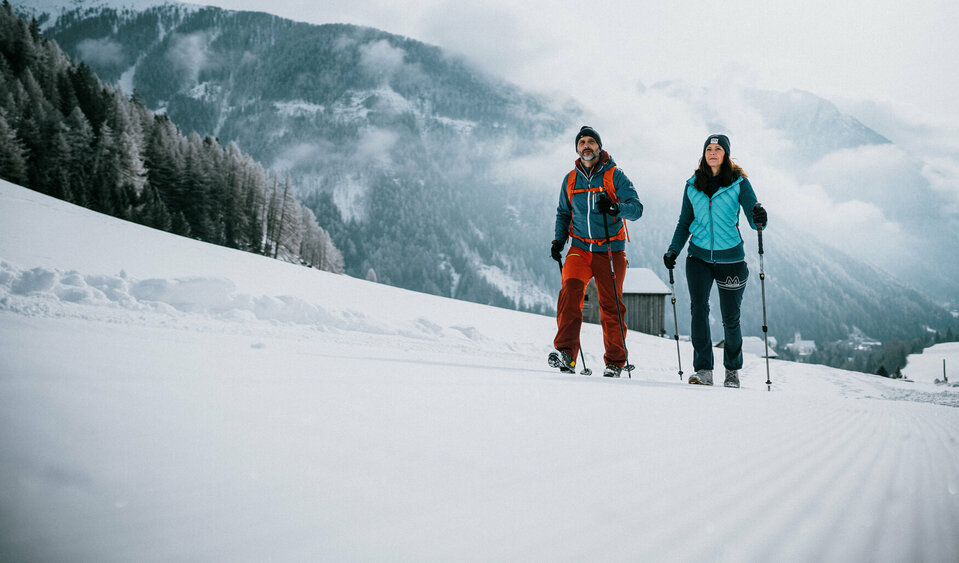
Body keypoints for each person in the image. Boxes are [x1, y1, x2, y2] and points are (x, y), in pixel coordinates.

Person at [663, 134, 767, 388]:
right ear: (703, 154)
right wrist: (674, 250)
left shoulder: (739, 183)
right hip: (697, 257)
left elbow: (755, 219)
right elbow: (684, 222)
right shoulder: (692, 185)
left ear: (725, 154)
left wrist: (760, 217)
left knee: (730, 317)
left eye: (718, 149)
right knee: (698, 310)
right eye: (708, 148)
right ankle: (703, 370)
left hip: (731, 258)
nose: (712, 152)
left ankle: (732, 371)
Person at [549, 126, 643, 378]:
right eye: (582, 142)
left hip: (609, 250)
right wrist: (559, 240)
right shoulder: (570, 179)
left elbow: (636, 209)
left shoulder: (615, 176)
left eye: (591, 142)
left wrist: (614, 207)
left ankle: (615, 362)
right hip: (579, 248)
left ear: (599, 147)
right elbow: (563, 213)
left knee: (610, 305)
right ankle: (566, 354)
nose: (587, 146)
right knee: (570, 294)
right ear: (577, 148)